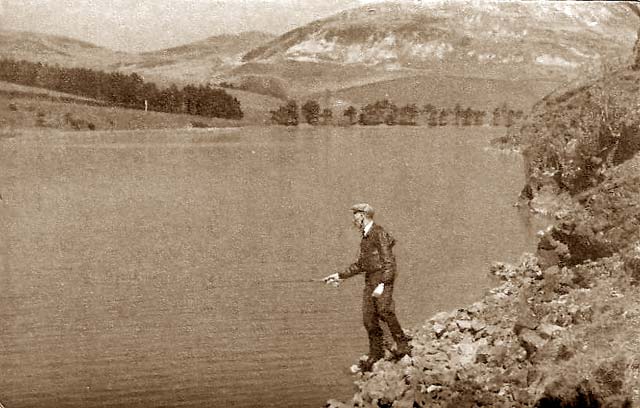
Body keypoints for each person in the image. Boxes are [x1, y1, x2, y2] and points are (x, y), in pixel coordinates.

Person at [323, 203, 411, 372]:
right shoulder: (366, 237)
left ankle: (403, 345)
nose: (353, 219)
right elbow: (361, 265)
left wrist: (383, 284)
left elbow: (389, 263)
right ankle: (375, 354)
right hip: (371, 279)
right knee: (369, 319)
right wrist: (339, 276)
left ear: (363, 215)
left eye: (355, 215)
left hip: (381, 279)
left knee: (385, 310)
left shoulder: (379, 233)